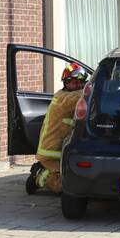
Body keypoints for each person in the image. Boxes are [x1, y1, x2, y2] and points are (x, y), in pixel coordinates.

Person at [32, 63, 89, 194]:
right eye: (75, 82)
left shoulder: (67, 96)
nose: (79, 85)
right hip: (51, 153)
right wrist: (96, 87)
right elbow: (80, 96)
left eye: (82, 82)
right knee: (63, 187)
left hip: (61, 151)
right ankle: (39, 174)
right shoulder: (64, 99)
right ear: (66, 83)